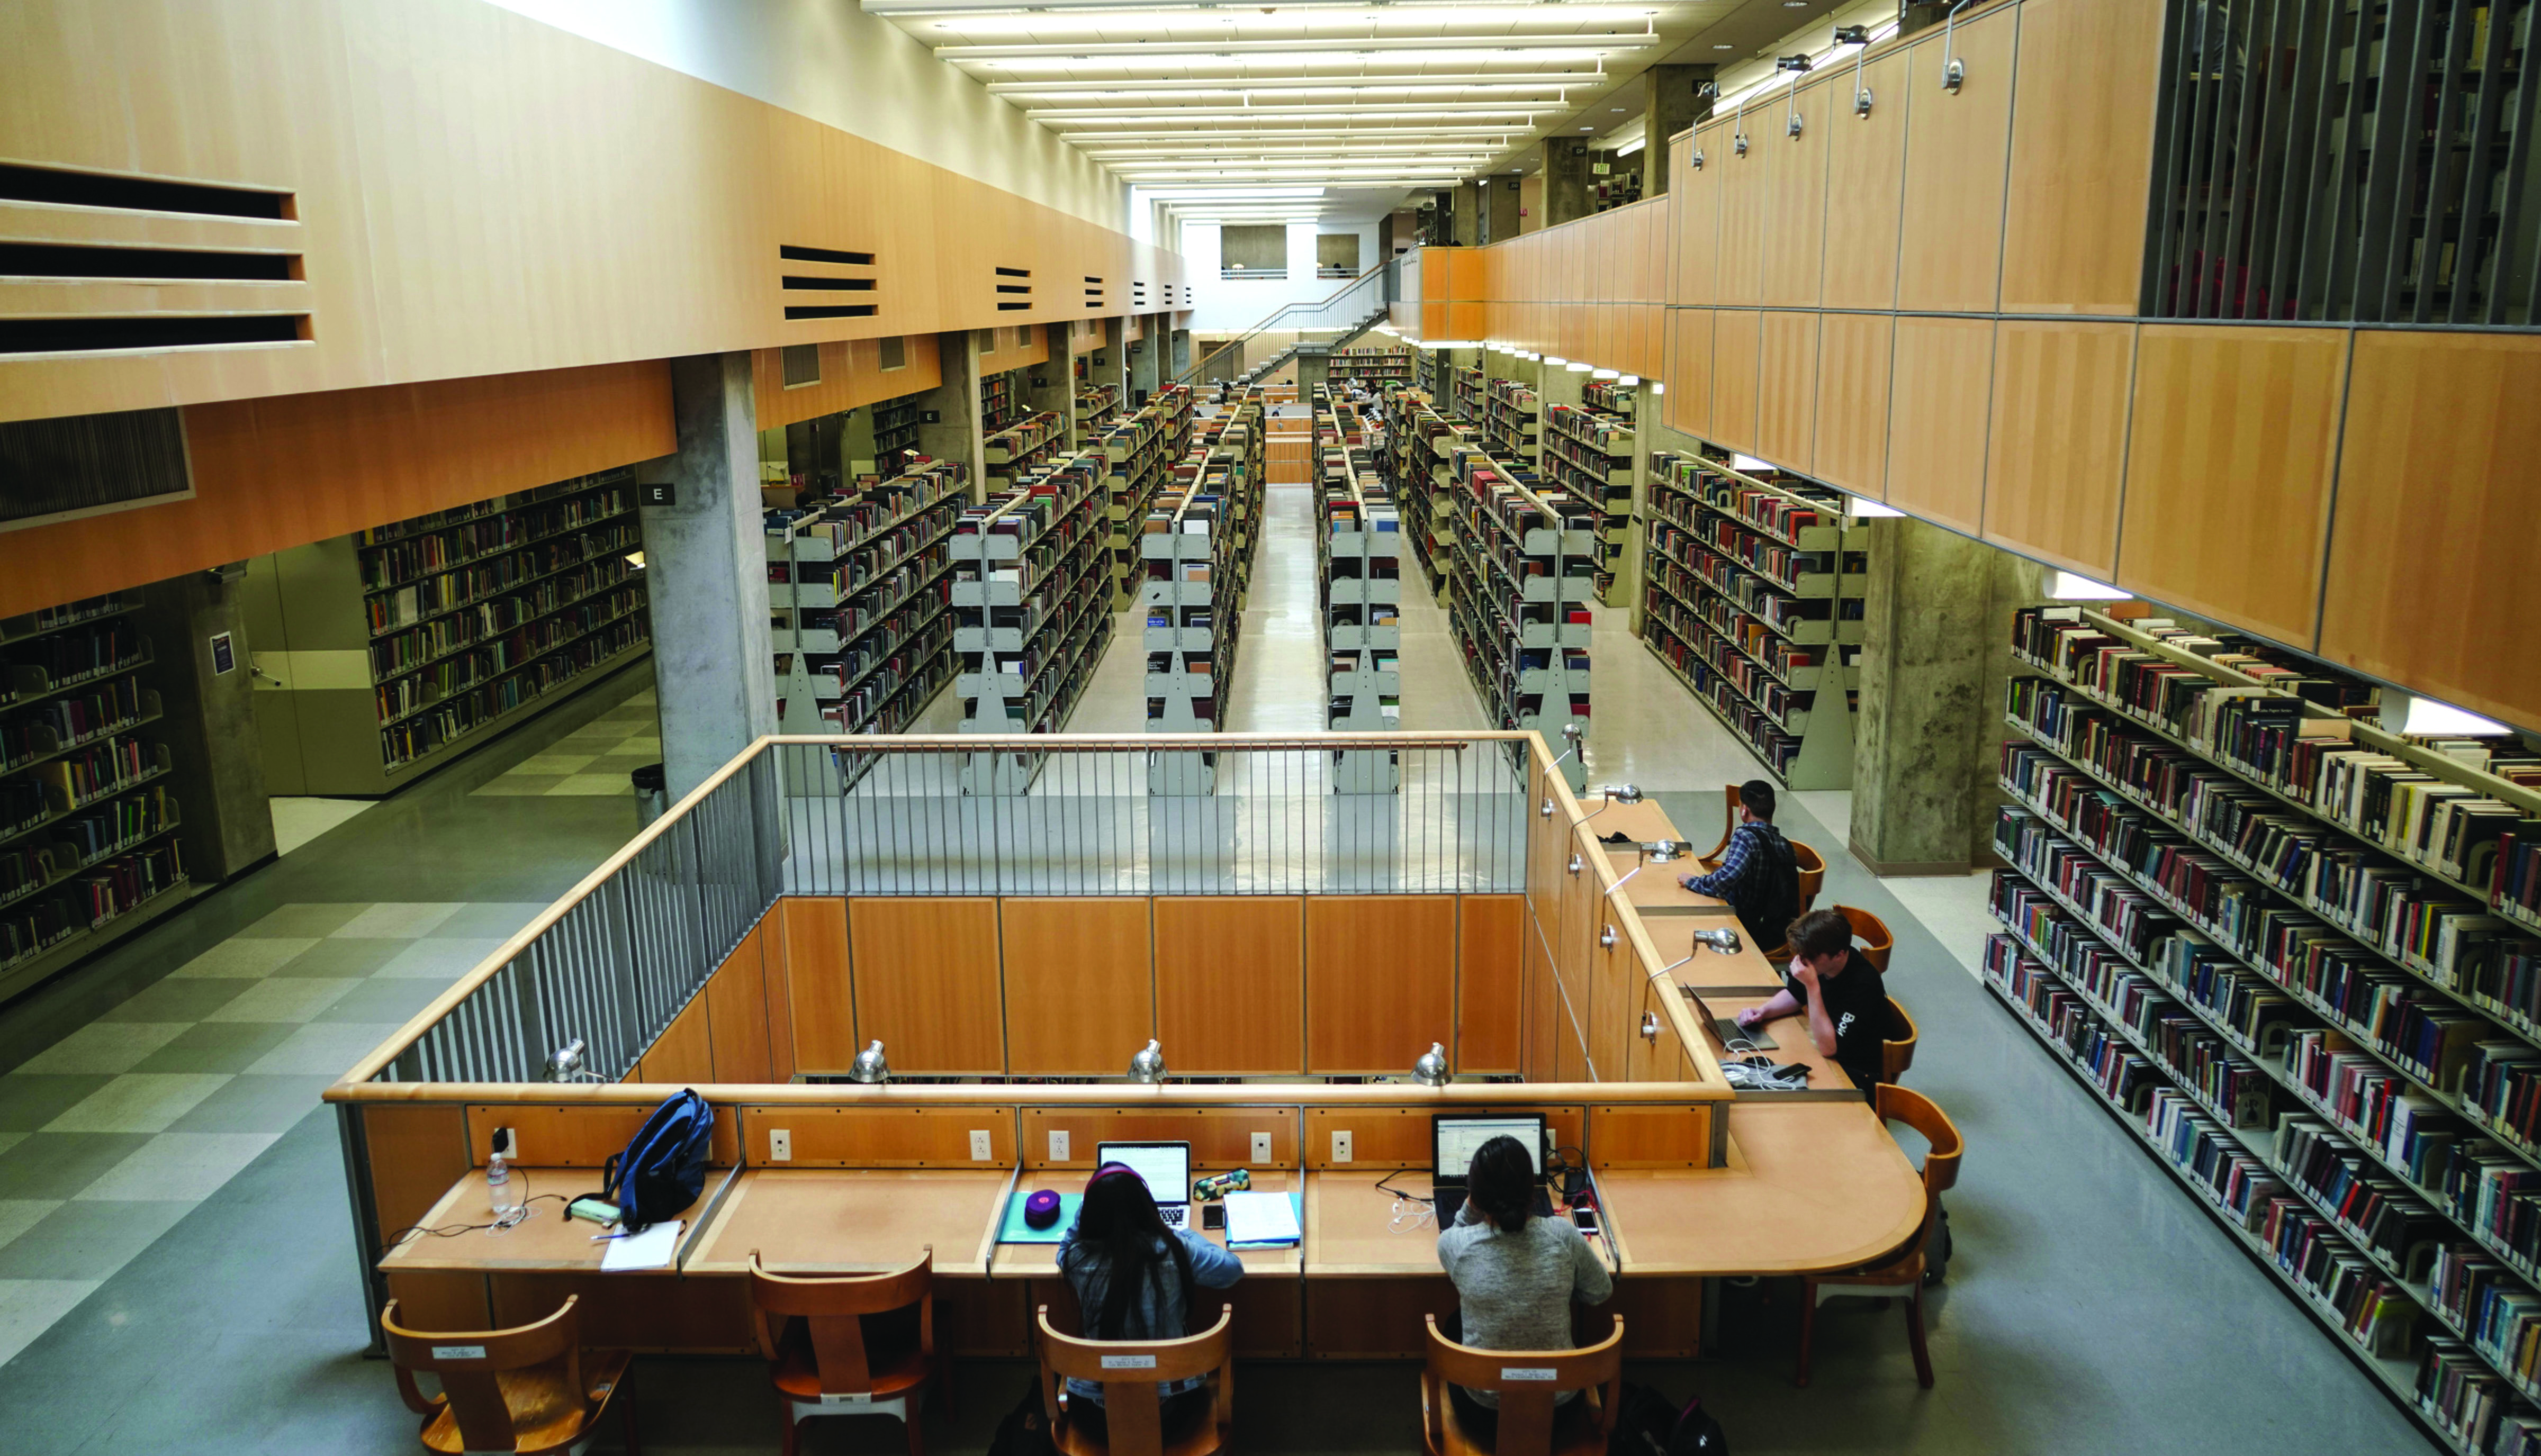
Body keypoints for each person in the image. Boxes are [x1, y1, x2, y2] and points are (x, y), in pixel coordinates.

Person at [1435, 1135, 1612, 1439]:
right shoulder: (1562, 1235)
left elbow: (1457, 1229)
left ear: (1475, 1194)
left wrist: (1471, 1204)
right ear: (1531, 1189)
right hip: (1561, 1414)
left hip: (1483, 1416)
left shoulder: (1455, 1245)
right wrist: (1553, 1288)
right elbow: (1600, 1291)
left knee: (1454, 1322)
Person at [1056, 1163, 1243, 1428]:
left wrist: (1086, 1207)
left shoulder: (1076, 1260)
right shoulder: (1174, 1249)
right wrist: (1182, 1234)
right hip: (1174, 1412)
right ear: (1146, 1208)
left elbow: (1066, 1245)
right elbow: (1232, 1270)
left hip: (1095, 1417)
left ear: (1090, 1214)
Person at [1736, 907, 1889, 1100]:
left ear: (1839, 955)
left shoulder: (1864, 984)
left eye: (1811, 957)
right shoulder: (1813, 959)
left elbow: (1829, 1048)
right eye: (1800, 955)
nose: (1802, 962)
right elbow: (1794, 995)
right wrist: (1763, 1012)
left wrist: (1812, 986)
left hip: (1855, 1072)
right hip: (1825, 1054)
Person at [1677, 778, 1801, 952]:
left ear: (1744, 810)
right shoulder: (1786, 845)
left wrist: (1693, 881)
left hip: (1745, 926)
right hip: (1773, 929)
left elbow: (1726, 878)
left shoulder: (1745, 836)